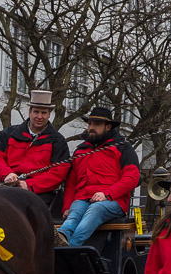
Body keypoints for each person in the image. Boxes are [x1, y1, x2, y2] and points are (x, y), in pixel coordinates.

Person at [56, 106, 141, 247]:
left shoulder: (123, 147)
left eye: (96, 124)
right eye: (90, 124)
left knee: (95, 209)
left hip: (113, 201)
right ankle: (61, 236)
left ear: (108, 126)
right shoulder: (80, 151)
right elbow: (71, 183)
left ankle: (70, 247)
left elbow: (132, 178)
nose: (91, 127)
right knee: (74, 213)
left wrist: (107, 194)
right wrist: (66, 207)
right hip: (83, 198)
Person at [0, 90, 70, 208]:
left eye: (44, 113)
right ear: (29, 112)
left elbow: (59, 172)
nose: (39, 117)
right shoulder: (10, 133)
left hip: (40, 194)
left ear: (49, 114)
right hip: (7, 187)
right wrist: (6, 174)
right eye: (36, 112)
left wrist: (29, 185)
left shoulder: (57, 141)